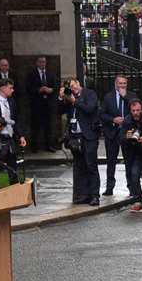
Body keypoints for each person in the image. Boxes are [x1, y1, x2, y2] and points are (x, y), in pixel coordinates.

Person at [60, 77, 101, 205]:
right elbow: (58, 111)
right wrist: (61, 98)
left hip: (88, 136)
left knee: (91, 166)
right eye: (70, 88)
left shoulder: (90, 94)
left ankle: (95, 196)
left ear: (78, 83)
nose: (73, 89)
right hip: (74, 137)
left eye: (74, 86)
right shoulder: (68, 98)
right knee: (79, 167)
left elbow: (90, 109)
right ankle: (82, 195)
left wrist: (75, 101)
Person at [99, 75, 133, 197]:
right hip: (111, 133)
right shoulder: (108, 97)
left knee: (129, 161)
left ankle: (131, 187)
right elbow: (102, 114)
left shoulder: (131, 96)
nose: (122, 86)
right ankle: (109, 187)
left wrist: (125, 98)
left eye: (124, 83)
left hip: (126, 134)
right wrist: (113, 119)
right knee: (111, 161)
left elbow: (137, 111)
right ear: (115, 84)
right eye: (120, 83)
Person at [22, 55, 57, 151]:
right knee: (35, 126)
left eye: (44, 62)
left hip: (48, 104)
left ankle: (49, 146)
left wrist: (51, 90)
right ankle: (34, 147)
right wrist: (39, 90)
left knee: (48, 126)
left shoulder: (50, 74)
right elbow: (28, 88)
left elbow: (55, 87)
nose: (42, 64)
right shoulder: (31, 74)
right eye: (41, 62)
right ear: (37, 63)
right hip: (36, 104)